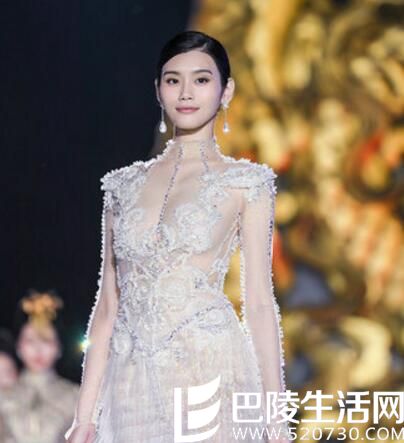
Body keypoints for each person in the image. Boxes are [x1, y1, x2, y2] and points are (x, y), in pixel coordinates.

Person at [66, 30, 291, 443]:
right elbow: (108, 304)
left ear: (226, 91)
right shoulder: (121, 187)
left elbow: (259, 301)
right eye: (173, 80)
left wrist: (276, 418)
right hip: (129, 382)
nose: (186, 92)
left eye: (202, 79)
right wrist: (85, 416)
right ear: (158, 90)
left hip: (207, 367)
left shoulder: (246, 183)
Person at [0, 290, 79, 443]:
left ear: (59, 347)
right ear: (18, 346)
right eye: (30, 340)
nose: (38, 349)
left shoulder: (76, 397)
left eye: (46, 340)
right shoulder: (4, 395)